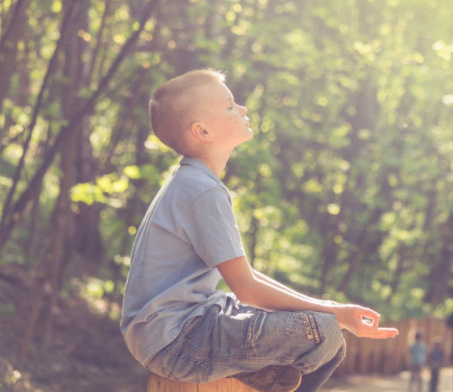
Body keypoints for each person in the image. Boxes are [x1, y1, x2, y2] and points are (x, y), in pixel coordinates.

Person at [120, 69, 398, 392]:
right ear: (202, 130)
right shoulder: (201, 190)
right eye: (229, 106)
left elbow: (245, 276)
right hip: (177, 340)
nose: (243, 109)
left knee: (331, 340)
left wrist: (331, 308)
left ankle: (256, 376)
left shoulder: (193, 181)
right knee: (322, 332)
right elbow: (247, 289)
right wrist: (336, 312)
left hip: (183, 327)